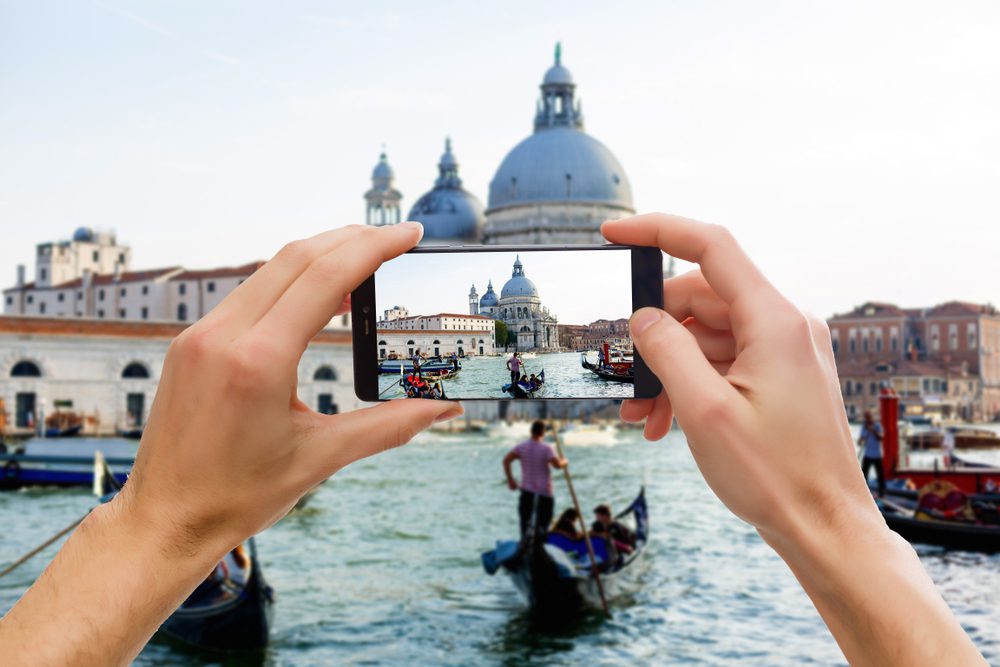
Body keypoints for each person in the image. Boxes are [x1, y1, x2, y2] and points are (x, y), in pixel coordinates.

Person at [0, 216, 985, 666]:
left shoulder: (533, 432)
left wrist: (156, 527)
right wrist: (835, 518)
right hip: (540, 500)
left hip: (534, 500)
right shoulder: (536, 427)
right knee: (537, 527)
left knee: (534, 529)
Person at [502, 420, 568, 539]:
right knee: (543, 526)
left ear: (531, 431)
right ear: (543, 433)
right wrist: (564, 461)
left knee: (525, 524)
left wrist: (511, 480)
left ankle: (525, 542)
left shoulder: (521, 447)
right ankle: (540, 542)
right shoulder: (547, 448)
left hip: (527, 492)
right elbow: (557, 465)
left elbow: (506, 461)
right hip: (544, 493)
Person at [858, 410, 885, 497]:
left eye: (868, 417)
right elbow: (860, 442)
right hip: (868, 454)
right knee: (864, 475)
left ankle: (882, 493)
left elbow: (881, 438)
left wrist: (873, 431)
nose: (867, 419)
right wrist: (864, 436)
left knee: (880, 475)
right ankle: (863, 493)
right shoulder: (864, 427)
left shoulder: (877, 426)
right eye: (866, 417)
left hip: (877, 455)